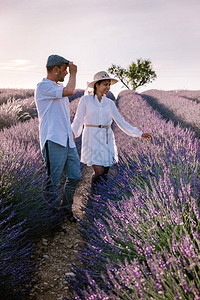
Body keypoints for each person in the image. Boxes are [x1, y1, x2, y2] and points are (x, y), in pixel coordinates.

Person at [71, 71, 152, 192]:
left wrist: (139, 133)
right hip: (91, 138)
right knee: (99, 171)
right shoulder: (85, 100)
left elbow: (121, 122)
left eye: (109, 85)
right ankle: (93, 195)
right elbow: (78, 119)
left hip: (106, 138)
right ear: (96, 85)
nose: (108, 87)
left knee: (105, 173)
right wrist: (72, 133)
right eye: (105, 84)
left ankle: (99, 200)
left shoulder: (109, 103)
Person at [35, 54, 81, 222]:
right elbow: (70, 91)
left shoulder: (57, 86)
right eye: (65, 69)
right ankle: (53, 219)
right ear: (56, 69)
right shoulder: (43, 87)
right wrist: (75, 73)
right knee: (53, 183)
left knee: (75, 175)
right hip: (53, 140)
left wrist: (71, 134)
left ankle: (65, 209)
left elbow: (61, 114)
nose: (68, 73)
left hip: (67, 139)